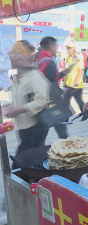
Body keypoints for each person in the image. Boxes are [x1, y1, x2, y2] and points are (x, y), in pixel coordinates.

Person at [6, 40, 50, 168]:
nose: (10, 58)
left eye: (14, 55)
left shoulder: (33, 75)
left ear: (20, 57)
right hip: (24, 128)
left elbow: (42, 100)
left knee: (22, 163)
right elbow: (21, 98)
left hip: (35, 127)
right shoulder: (19, 76)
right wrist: (8, 107)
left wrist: (18, 110)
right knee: (32, 160)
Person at [37, 36, 71, 139]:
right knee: (62, 131)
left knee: (41, 134)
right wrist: (62, 91)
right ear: (51, 47)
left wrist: (61, 73)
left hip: (41, 101)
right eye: (56, 47)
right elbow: (51, 84)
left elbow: (47, 78)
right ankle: (67, 150)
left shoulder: (40, 60)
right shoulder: (49, 62)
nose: (57, 49)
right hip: (52, 102)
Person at [64, 42, 88, 121]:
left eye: (69, 49)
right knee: (66, 101)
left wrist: (77, 80)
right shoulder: (68, 57)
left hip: (76, 85)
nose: (68, 50)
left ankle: (85, 114)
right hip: (68, 83)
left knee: (79, 101)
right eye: (67, 49)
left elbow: (80, 70)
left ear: (74, 49)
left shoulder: (78, 58)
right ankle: (65, 117)